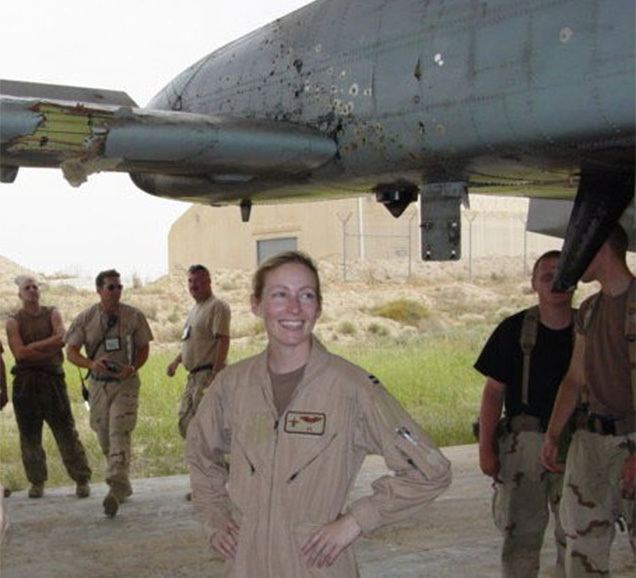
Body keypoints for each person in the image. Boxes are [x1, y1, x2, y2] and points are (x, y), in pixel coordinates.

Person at [186, 251, 451, 578]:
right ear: (256, 304)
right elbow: (200, 453)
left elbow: (430, 471)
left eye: (306, 295)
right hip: (246, 563)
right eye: (280, 294)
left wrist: (356, 521)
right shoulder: (233, 385)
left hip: (316, 564)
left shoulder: (351, 388)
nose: (294, 308)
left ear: (319, 308)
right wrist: (215, 518)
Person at [541, 224, 635, 577]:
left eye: (581, 248)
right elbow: (574, 379)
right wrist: (552, 436)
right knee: (581, 547)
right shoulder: (590, 310)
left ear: (600, 250)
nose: (574, 259)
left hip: (632, 442)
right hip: (589, 443)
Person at [475, 251, 575, 578]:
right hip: (524, 444)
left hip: (576, 444)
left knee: (578, 533)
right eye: (546, 276)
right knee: (521, 535)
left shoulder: (590, 327)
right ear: (533, 284)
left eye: (562, 274)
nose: (555, 282)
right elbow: (493, 392)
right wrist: (486, 450)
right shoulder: (513, 330)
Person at [65, 269, 153, 518]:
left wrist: (132, 367)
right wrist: (92, 364)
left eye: (119, 286)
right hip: (98, 386)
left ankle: (114, 489)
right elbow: (71, 352)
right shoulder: (86, 318)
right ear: (99, 290)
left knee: (119, 431)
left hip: (125, 384)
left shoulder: (133, 316)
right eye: (111, 287)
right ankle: (123, 482)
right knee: (104, 435)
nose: (116, 291)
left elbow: (144, 347)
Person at [5, 276, 91, 499]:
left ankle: (81, 478)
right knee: (29, 436)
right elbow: (19, 353)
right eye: (27, 288)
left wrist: (33, 346)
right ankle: (37, 482)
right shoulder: (13, 321)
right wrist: (47, 347)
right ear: (20, 294)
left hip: (52, 380)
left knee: (65, 431)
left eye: (35, 287)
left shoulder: (52, 312)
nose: (32, 290)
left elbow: (62, 338)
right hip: (25, 384)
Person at [166, 264, 231, 439]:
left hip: (208, 374)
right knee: (186, 422)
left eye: (198, 281)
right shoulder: (194, 310)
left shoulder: (217, 306)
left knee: (208, 426)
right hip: (193, 377)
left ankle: (218, 465)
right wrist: (176, 362)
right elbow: (192, 342)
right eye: (190, 281)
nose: (193, 286)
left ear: (209, 282)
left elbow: (223, 340)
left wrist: (216, 373)